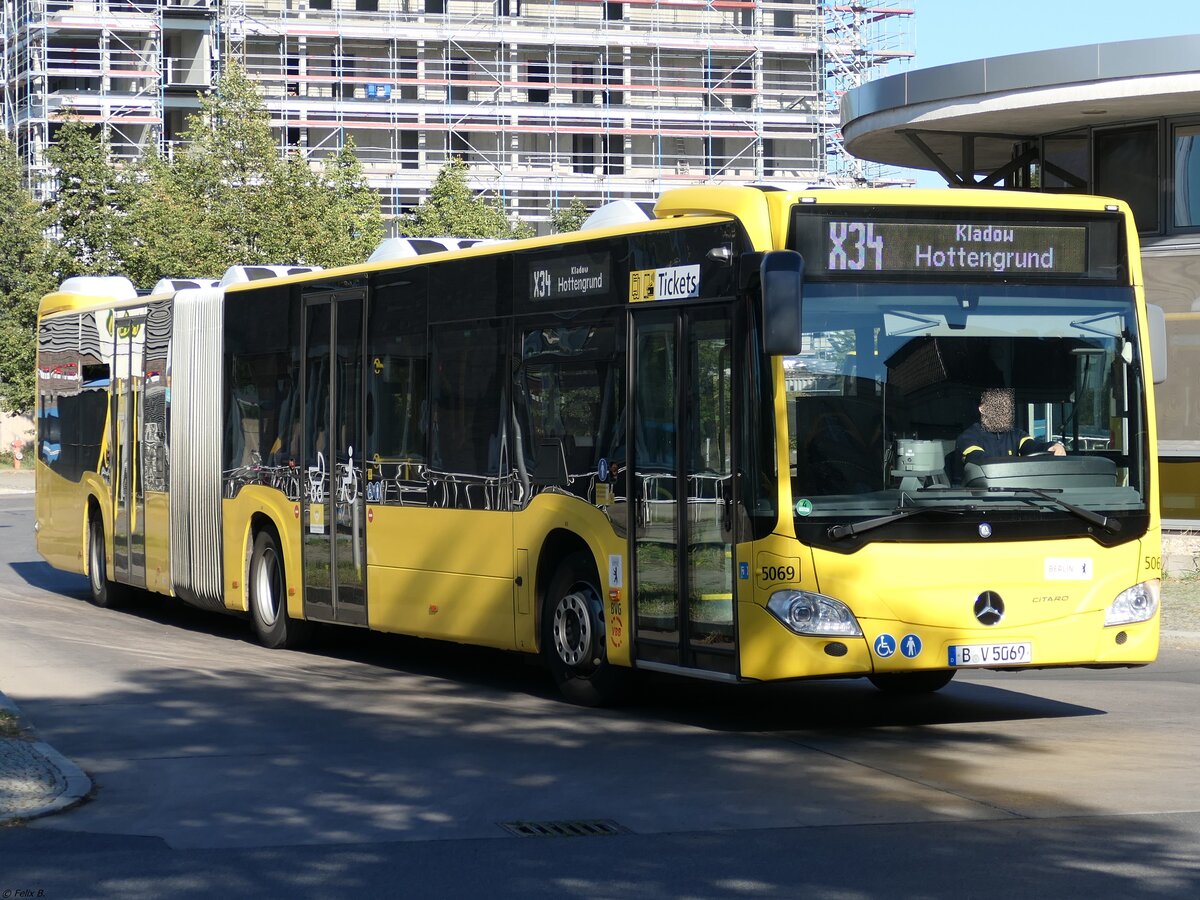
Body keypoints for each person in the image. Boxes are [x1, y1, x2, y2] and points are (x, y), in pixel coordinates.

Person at [955, 387, 1065, 470]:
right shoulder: (968, 437)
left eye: (1007, 406)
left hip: (1015, 495)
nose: (1005, 411)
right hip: (979, 496)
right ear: (982, 409)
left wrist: (1053, 446)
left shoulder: (1017, 435)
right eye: (999, 405)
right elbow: (980, 460)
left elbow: (1032, 446)